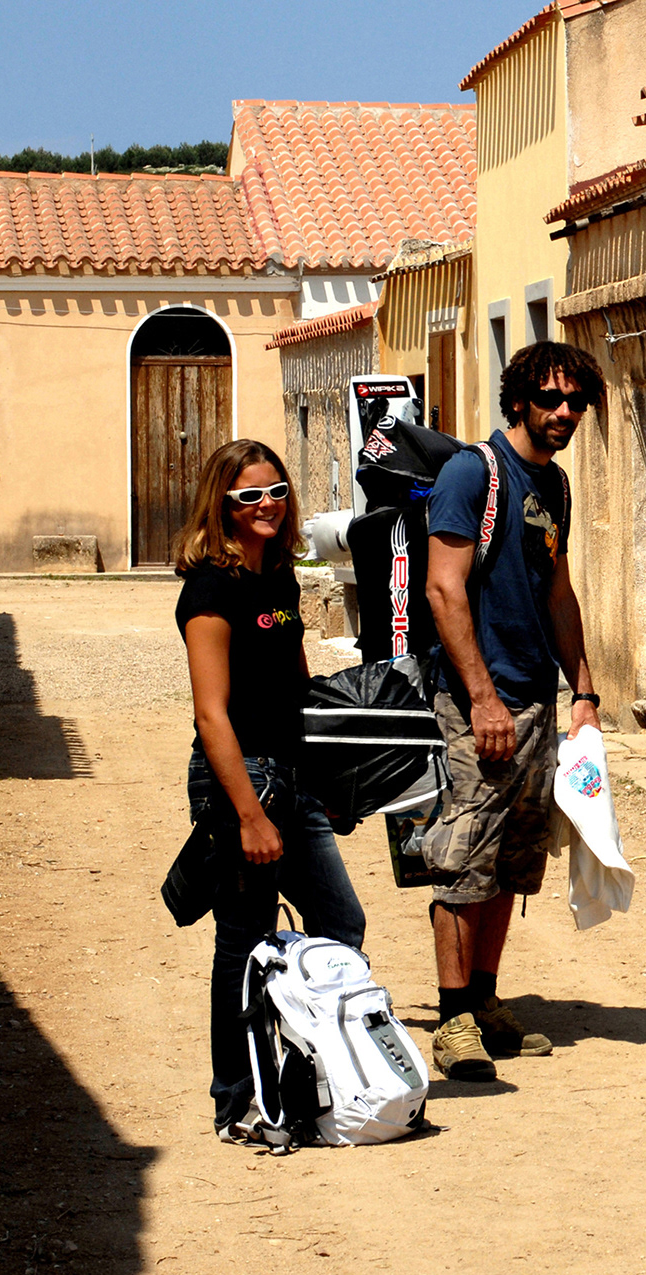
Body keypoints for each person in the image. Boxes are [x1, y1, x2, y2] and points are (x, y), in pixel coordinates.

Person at [421, 340, 603, 1080]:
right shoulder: (473, 473)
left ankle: (487, 1001)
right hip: (480, 704)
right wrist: (482, 699)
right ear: (520, 399)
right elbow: (443, 588)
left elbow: (558, 592)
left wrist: (583, 691)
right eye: (551, 399)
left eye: (576, 403)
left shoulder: (551, 485)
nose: (564, 413)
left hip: (534, 699)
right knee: (462, 859)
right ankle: (453, 1019)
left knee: (508, 863)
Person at [175, 439, 367, 1141]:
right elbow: (211, 714)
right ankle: (239, 1102)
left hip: (292, 776)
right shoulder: (209, 590)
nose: (266, 505)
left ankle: (306, 1082)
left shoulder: (280, 581)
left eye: (276, 492)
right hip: (240, 781)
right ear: (220, 506)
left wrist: (330, 779)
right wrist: (250, 815)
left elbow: (297, 687)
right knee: (245, 941)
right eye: (248, 496)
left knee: (339, 924)